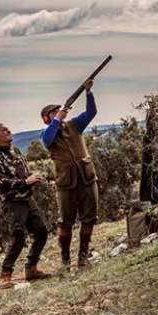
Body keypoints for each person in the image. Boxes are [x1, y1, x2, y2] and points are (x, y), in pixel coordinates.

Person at [40, 79, 98, 269]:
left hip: (86, 178)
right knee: (65, 222)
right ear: (47, 118)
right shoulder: (47, 134)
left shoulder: (74, 125)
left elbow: (91, 113)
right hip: (66, 183)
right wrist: (57, 120)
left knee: (89, 218)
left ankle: (83, 257)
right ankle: (65, 260)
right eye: (54, 112)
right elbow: (48, 139)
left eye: (60, 110)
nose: (59, 113)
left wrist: (88, 92)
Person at [0, 123, 51, 286]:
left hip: (27, 199)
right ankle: (5, 275)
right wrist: (25, 181)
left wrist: (33, 179)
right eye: (4, 131)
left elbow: (24, 172)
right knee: (18, 237)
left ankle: (31, 269)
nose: (9, 131)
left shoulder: (16, 151)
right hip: (12, 202)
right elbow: (1, 183)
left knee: (41, 232)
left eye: (8, 129)